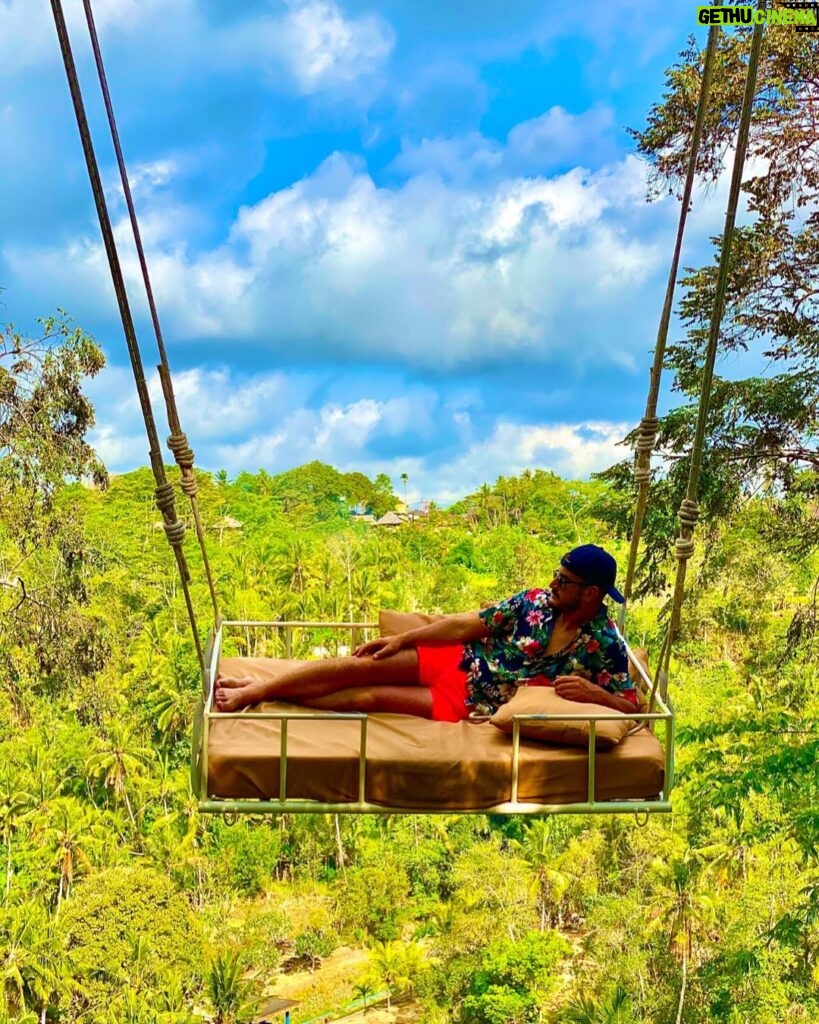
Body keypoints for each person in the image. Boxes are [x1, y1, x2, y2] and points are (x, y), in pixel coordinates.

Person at [214, 544, 638, 719]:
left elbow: (633, 707)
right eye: (556, 575)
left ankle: (263, 690)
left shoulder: (603, 643)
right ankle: (258, 690)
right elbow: (466, 624)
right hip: (459, 658)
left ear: (591, 594)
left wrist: (596, 696)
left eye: (563, 581)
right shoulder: (532, 602)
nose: (553, 584)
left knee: (370, 698)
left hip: (474, 701)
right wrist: (405, 638)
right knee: (355, 667)